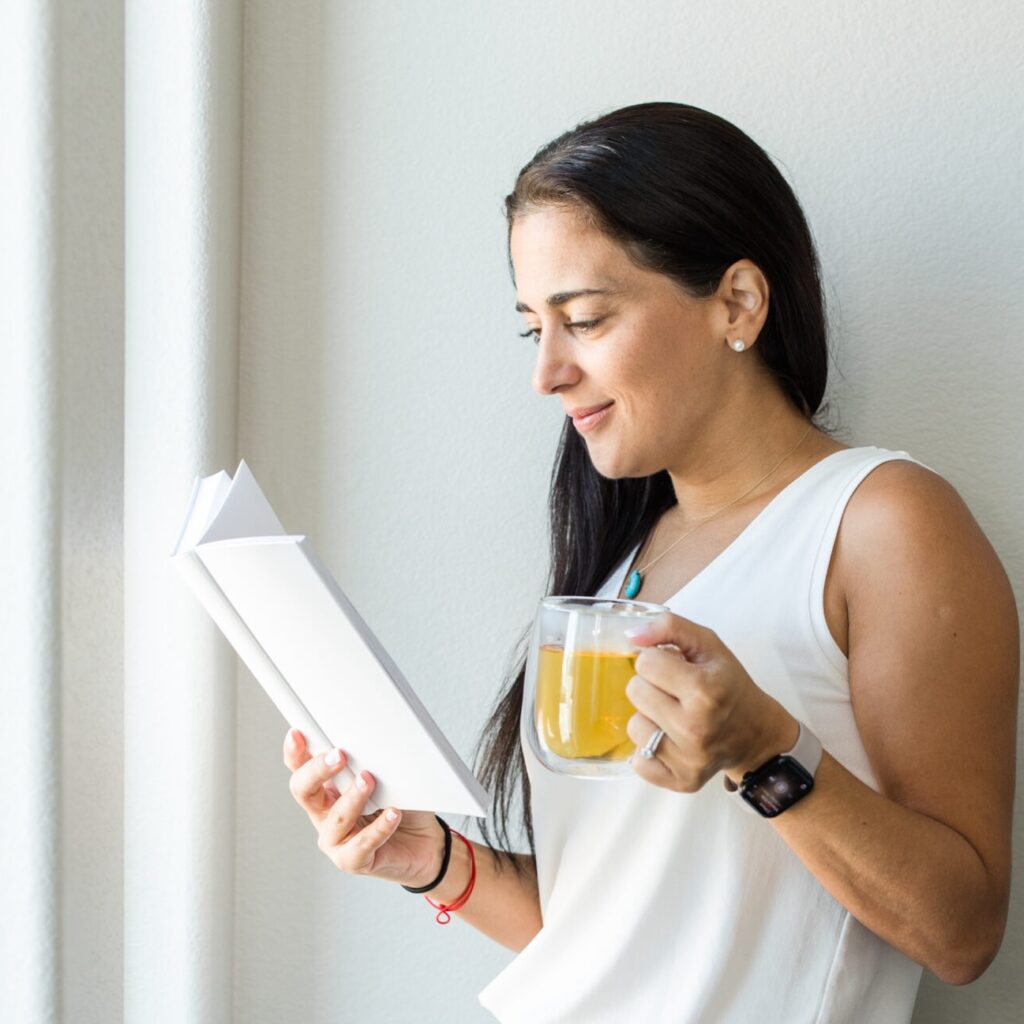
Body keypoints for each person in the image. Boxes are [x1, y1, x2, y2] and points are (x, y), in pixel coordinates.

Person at [282, 102, 1019, 1022]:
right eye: (531, 329)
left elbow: (962, 933)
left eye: (584, 318)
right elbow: (618, 938)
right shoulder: (626, 562)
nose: (545, 372)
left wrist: (766, 753)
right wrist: (433, 860)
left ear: (737, 304)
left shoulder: (881, 523)